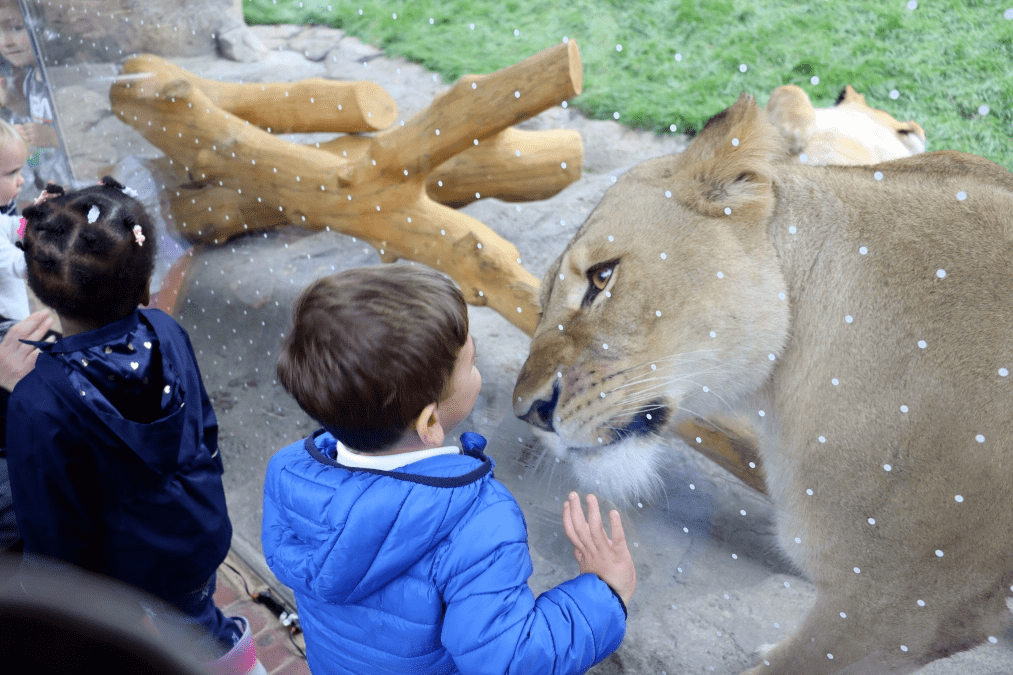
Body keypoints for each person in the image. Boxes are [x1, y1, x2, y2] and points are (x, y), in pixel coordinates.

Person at [262, 265, 637, 675]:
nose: (478, 370)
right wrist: (602, 595)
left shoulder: (290, 473)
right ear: (428, 424)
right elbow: (510, 662)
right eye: (472, 363)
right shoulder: (476, 523)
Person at [5, 177, 265, 674]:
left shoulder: (38, 400)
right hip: (197, 531)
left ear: (41, 295)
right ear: (146, 286)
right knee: (196, 621)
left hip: (124, 575)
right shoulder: (167, 329)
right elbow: (204, 429)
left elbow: (53, 536)